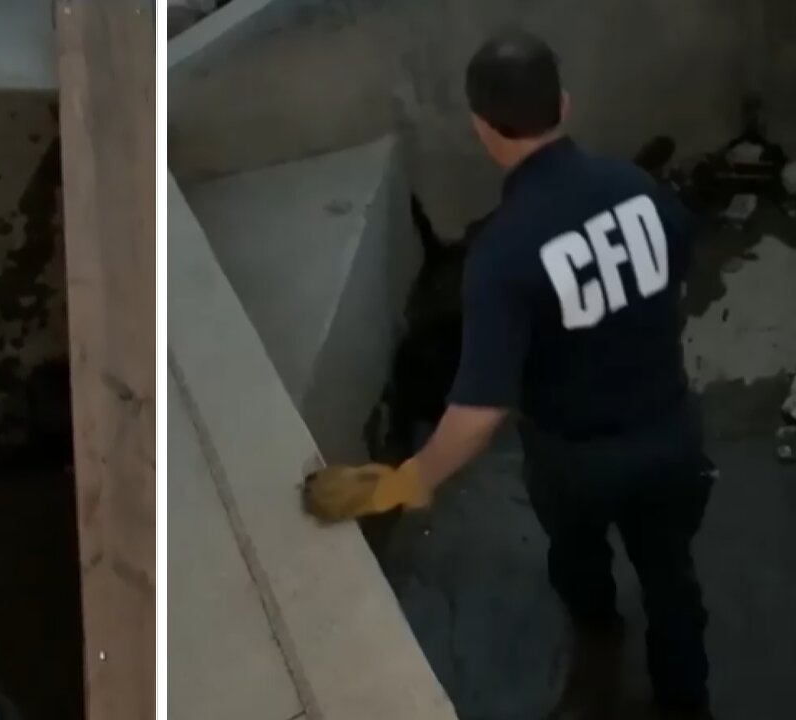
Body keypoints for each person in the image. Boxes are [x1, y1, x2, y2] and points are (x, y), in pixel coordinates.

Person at [303, 28, 714, 719]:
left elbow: (477, 414)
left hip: (574, 461)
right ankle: (686, 704)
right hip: (672, 440)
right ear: (566, 104)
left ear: (483, 129)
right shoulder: (641, 190)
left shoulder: (503, 252)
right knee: (673, 582)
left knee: (580, 562)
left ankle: (599, 646)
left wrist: (407, 479)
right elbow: (674, 279)